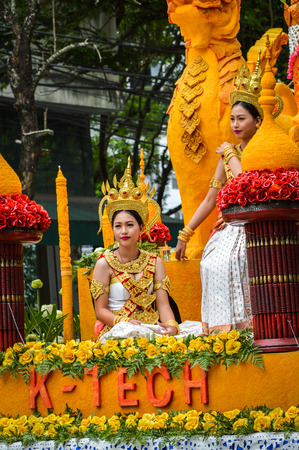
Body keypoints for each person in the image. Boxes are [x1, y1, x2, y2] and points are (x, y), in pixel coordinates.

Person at [175, 60, 276, 334]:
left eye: (241, 118)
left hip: (256, 226)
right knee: (211, 262)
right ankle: (223, 333)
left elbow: (246, 183)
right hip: (227, 227)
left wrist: (231, 154)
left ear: (257, 120)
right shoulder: (226, 152)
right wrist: (186, 234)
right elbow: (211, 199)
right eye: (232, 119)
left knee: (239, 261)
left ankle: (251, 330)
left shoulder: (264, 149)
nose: (235, 124)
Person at [90, 159, 180, 339]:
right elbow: (100, 311)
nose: (123, 231)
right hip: (118, 330)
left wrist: (171, 326)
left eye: (129, 225)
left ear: (141, 227)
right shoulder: (104, 264)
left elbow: (163, 305)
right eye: (118, 226)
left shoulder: (155, 262)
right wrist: (125, 322)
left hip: (150, 329)